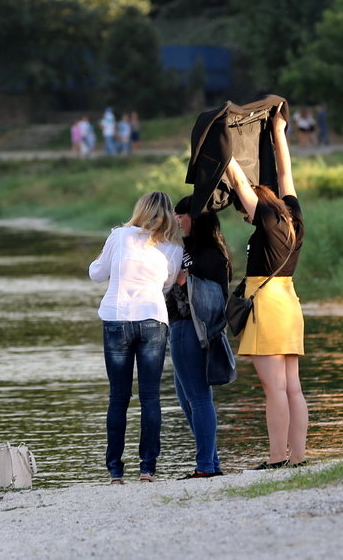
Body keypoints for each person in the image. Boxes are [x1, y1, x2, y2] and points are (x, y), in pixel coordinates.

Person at [224, 113, 308, 470]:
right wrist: (278, 133)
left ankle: (277, 457)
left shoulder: (266, 217)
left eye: (245, 214)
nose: (246, 218)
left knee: (273, 387)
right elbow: (286, 173)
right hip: (290, 302)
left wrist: (222, 151)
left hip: (268, 304)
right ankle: (298, 457)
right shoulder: (293, 215)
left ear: (255, 208)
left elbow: (241, 183)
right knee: (292, 387)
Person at [89, 191, 183, 483]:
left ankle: (115, 471)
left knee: (118, 398)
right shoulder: (173, 247)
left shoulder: (118, 236)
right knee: (150, 397)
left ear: (140, 209)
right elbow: (167, 286)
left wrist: (104, 259)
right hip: (153, 319)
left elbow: (96, 274)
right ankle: (147, 469)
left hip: (117, 318)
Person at [165, 195, 231, 479]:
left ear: (197, 217)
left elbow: (214, 293)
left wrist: (184, 280)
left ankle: (205, 466)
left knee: (199, 399)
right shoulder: (201, 249)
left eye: (182, 215)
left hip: (190, 327)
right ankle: (211, 461)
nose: (178, 220)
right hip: (185, 328)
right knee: (187, 398)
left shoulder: (209, 253)